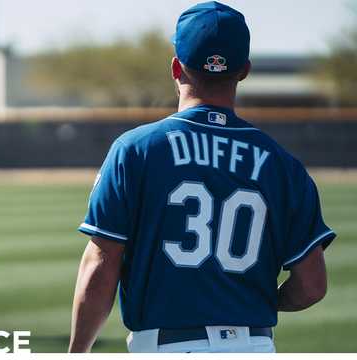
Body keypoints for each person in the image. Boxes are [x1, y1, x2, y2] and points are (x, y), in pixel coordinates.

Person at [69, 1, 335, 353]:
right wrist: (259, 302)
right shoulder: (282, 165)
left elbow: (101, 266)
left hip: (168, 347)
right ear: (244, 71)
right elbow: (312, 285)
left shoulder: (136, 150)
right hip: (254, 346)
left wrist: (76, 351)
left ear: (176, 67)